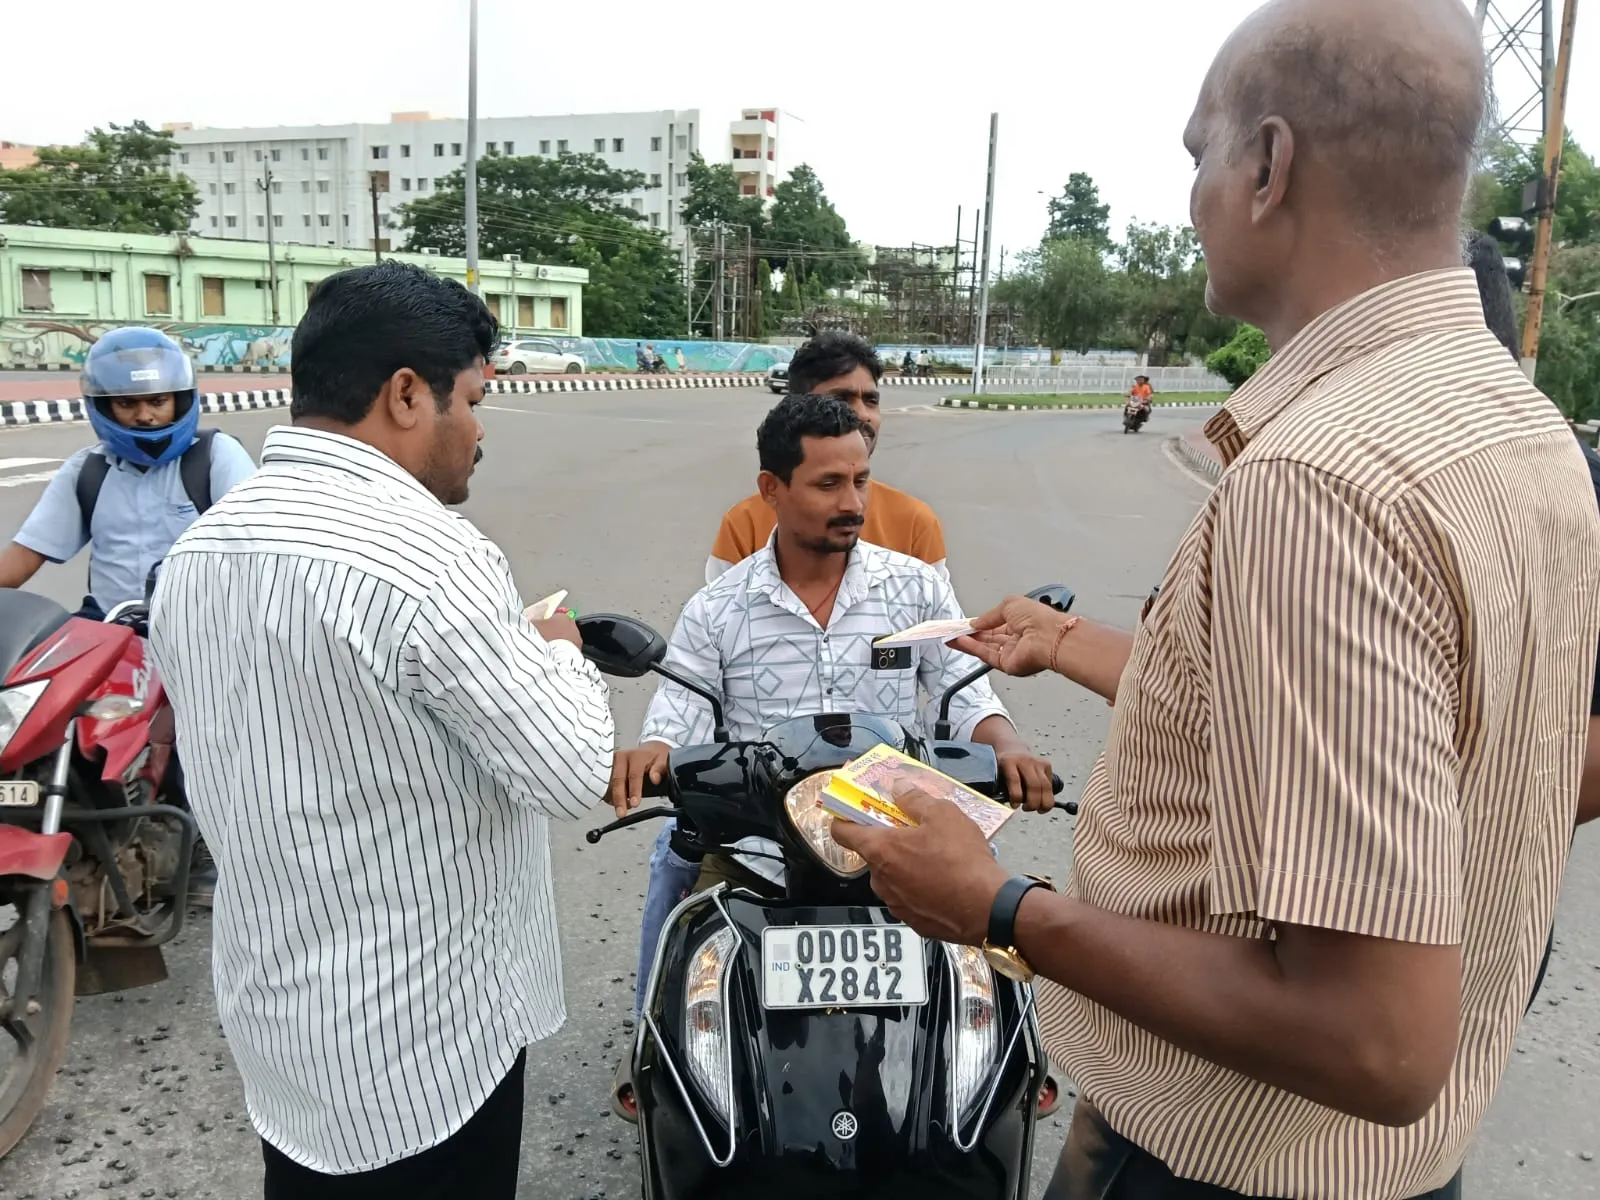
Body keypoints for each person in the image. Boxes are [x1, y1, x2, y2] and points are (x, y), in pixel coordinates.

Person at [831, 2, 1600, 1198]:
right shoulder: (1516, 427)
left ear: (1266, 164)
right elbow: (1340, 737)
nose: (1192, 194)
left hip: (1223, 1164)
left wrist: (1000, 905)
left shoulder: (1319, 482)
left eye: (1198, 153)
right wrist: (1070, 640)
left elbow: (1374, 1041)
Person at [147, 262, 616, 1200]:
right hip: (425, 1047)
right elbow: (573, 772)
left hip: (285, 1029)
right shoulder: (432, 559)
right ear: (407, 394)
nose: (481, 431)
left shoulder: (203, 548)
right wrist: (559, 649)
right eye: (474, 399)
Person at [609, 394, 1058, 1121]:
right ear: (771, 489)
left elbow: (961, 691)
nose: (852, 502)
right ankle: (653, 1048)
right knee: (688, 937)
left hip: (899, 840)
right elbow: (681, 708)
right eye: (828, 484)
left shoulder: (914, 587)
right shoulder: (718, 608)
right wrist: (654, 750)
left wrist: (1007, 746)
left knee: (994, 921)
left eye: (860, 481)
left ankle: (1016, 1049)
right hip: (758, 850)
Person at [0, 326, 256, 620]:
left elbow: (266, 550)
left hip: (201, 634)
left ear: (180, 400)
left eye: (158, 402)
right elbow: (27, 554)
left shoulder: (215, 457)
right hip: (113, 634)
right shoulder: (87, 471)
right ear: (104, 407)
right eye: (127, 404)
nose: (145, 415)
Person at [706, 331, 949, 585]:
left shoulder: (915, 522)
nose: (862, 415)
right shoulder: (744, 524)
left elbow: (940, 624)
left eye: (871, 400)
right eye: (840, 400)